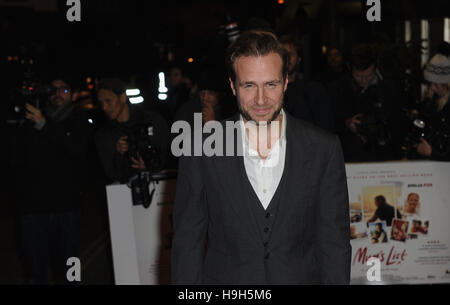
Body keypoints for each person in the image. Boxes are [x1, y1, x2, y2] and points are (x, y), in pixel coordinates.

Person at [171, 30, 351, 285]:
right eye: (249, 85)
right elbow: (187, 240)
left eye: (270, 84)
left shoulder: (324, 148)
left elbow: (334, 242)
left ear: (286, 82)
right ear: (233, 86)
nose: (260, 99)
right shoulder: (201, 149)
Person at [13, 78, 91, 284]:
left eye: (64, 89)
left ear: (73, 94)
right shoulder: (33, 117)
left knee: (69, 272)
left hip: (66, 208)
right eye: (53, 90)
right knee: (35, 271)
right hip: (34, 208)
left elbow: (76, 149)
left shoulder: (79, 119)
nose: (57, 94)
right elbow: (17, 157)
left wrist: (44, 126)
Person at [329, 44, 404, 162]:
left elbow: (398, 124)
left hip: (384, 156)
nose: (364, 80)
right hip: (350, 156)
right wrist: (347, 124)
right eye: (359, 76)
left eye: (369, 75)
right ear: (350, 69)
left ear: (375, 68)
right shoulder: (338, 89)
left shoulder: (388, 89)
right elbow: (329, 123)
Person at [94, 78, 169, 184]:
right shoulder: (104, 134)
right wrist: (119, 154)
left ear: (123, 97)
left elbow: (167, 156)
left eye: (108, 101)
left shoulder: (152, 121)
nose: (104, 107)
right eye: (101, 103)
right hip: (123, 193)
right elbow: (111, 173)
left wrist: (150, 165)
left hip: (158, 187)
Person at [279, 34, 335, 132]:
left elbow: (326, 130)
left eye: (290, 54)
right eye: (283, 54)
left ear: (299, 59)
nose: (286, 59)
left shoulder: (313, 91)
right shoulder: (268, 91)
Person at [413, 43, 450, 161]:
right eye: (430, 84)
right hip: (431, 166)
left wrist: (433, 153)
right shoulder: (431, 101)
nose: (432, 88)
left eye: (436, 84)